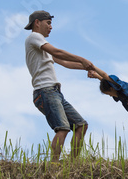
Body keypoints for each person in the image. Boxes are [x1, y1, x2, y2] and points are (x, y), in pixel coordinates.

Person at [24, 10, 94, 162]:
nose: (51, 27)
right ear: (37, 23)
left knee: (81, 126)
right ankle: (53, 168)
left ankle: (72, 165)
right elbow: (58, 52)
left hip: (55, 92)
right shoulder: (34, 37)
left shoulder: (42, 47)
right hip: (45, 91)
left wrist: (87, 68)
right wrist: (82, 59)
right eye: (48, 23)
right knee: (62, 128)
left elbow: (64, 62)